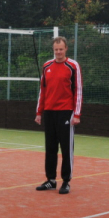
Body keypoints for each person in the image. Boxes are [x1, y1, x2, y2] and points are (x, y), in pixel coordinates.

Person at [34, 36, 82, 195]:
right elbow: (43, 90)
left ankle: (66, 181)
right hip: (49, 112)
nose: (58, 52)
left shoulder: (73, 66)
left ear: (66, 49)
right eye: (56, 50)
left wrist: (76, 113)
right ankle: (51, 180)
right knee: (50, 147)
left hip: (66, 112)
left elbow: (78, 90)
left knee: (66, 148)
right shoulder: (47, 65)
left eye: (61, 49)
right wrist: (39, 112)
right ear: (53, 50)